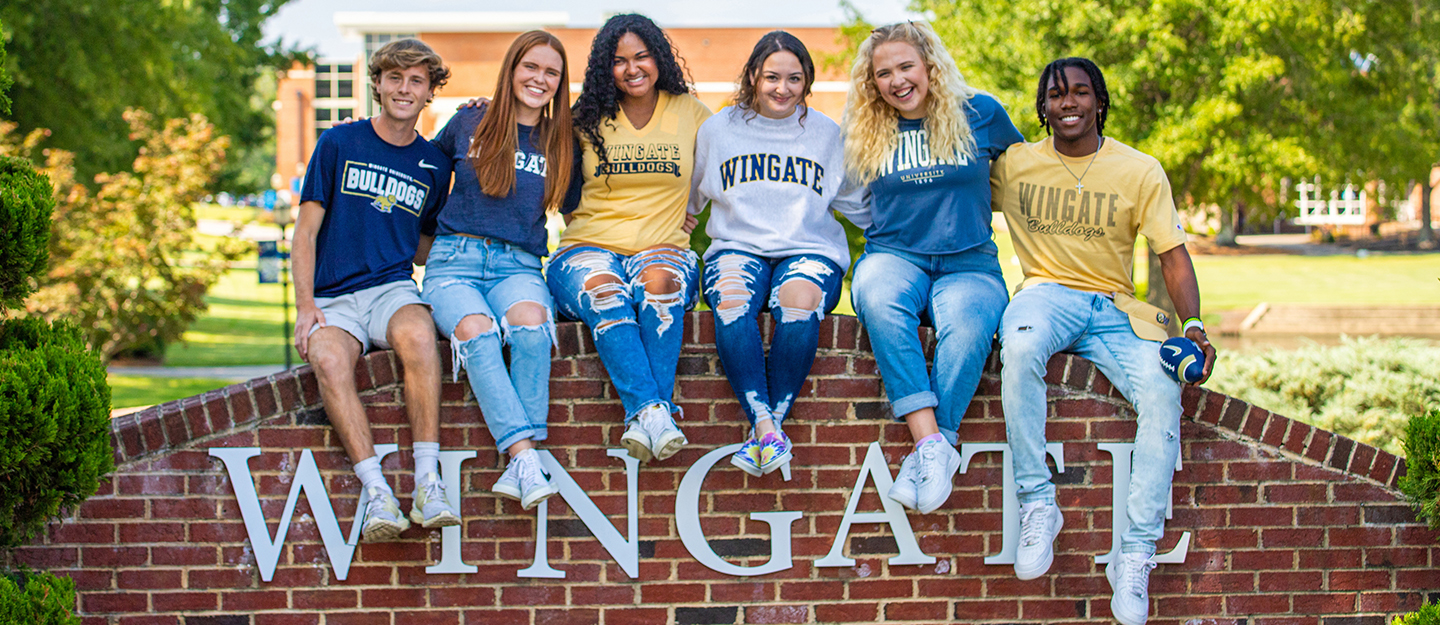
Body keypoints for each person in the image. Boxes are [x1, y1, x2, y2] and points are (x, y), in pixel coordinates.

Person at [991, 57, 1217, 625]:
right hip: (1045, 294)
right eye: (1056, 95)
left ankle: (1135, 553)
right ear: (1041, 107)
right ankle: (1039, 502)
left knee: (1165, 394)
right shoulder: (1014, 165)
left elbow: (1173, 254)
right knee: (1017, 347)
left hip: (1116, 309)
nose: (1068, 103)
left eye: (1080, 93)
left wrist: (1193, 327)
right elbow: (947, 186)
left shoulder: (1139, 170)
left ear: (1099, 100)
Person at [842, 22, 1022, 513]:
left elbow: (1027, 179)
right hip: (894, 256)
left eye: (906, 67)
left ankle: (930, 448)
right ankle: (932, 445)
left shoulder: (980, 113)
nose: (897, 81)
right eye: (884, 73)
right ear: (871, 81)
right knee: (875, 297)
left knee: (968, 326)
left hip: (970, 261)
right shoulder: (865, 128)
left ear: (929, 66)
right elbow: (845, 195)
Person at [292, 39, 457, 541]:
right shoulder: (339, 143)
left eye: (416, 81)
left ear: (429, 92)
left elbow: (425, 243)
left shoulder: (434, 164)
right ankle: (378, 494)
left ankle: (428, 484)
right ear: (378, 84)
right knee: (329, 359)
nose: (404, 89)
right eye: (394, 78)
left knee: (419, 335)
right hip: (334, 297)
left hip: (391, 289)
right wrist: (305, 308)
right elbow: (305, 232)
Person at [688, 31, 866, 476]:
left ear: (807, 83)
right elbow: (684, 200)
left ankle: (767, 430)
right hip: (736, 247)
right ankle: (767, 425)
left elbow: (862, 204)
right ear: (753, 76)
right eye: (771, 77)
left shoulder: (827, 134)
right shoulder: (718, 130)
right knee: (730, 301)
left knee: (798, 301)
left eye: (794, 78)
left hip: (808, 249)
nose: (782, 88)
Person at [548, 13, 712, 463]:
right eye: (620, 61)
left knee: (660, 286)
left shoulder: (692, 113)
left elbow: (718, 175)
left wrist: (693, 213)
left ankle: (645, 415)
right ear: (606, 67)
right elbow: (559, 190)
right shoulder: (584, 117)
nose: (632, 68)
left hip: (662, 248)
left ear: (659, 57)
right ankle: (655, 412)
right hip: (587, 248)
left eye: (642, 56)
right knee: (606, 291)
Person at [419, 31, 572, 510]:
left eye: (552, 72)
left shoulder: (561, 142)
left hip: (519, 265)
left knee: (531, 329)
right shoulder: (468, 120)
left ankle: (518, 461)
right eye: (531, 67)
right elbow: (417, 171)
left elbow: (594, 207)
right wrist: (365, 129)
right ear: (511, 69)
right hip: (453, 264)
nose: (540, 79)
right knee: (477, 332)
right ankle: (526, 457)